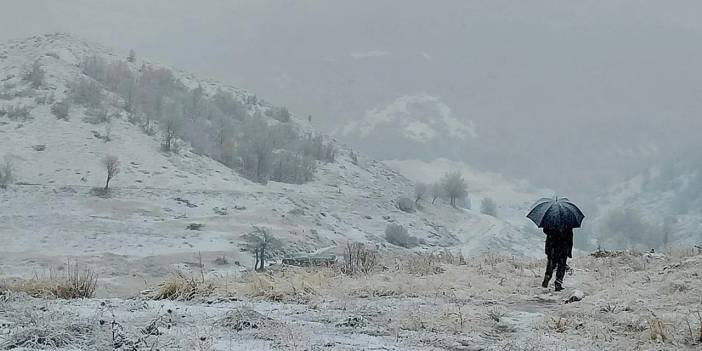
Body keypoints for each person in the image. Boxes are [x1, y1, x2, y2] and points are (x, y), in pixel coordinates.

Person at [541, 226, 573, 291]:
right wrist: (569, 251)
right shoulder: (567, 222)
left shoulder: (551, 220)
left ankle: (547, 276)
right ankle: (558, 284)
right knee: (561, 266)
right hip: (563, 247)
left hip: (551, 246)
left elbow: (545, 230)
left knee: (551, 264)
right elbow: (570, 238)